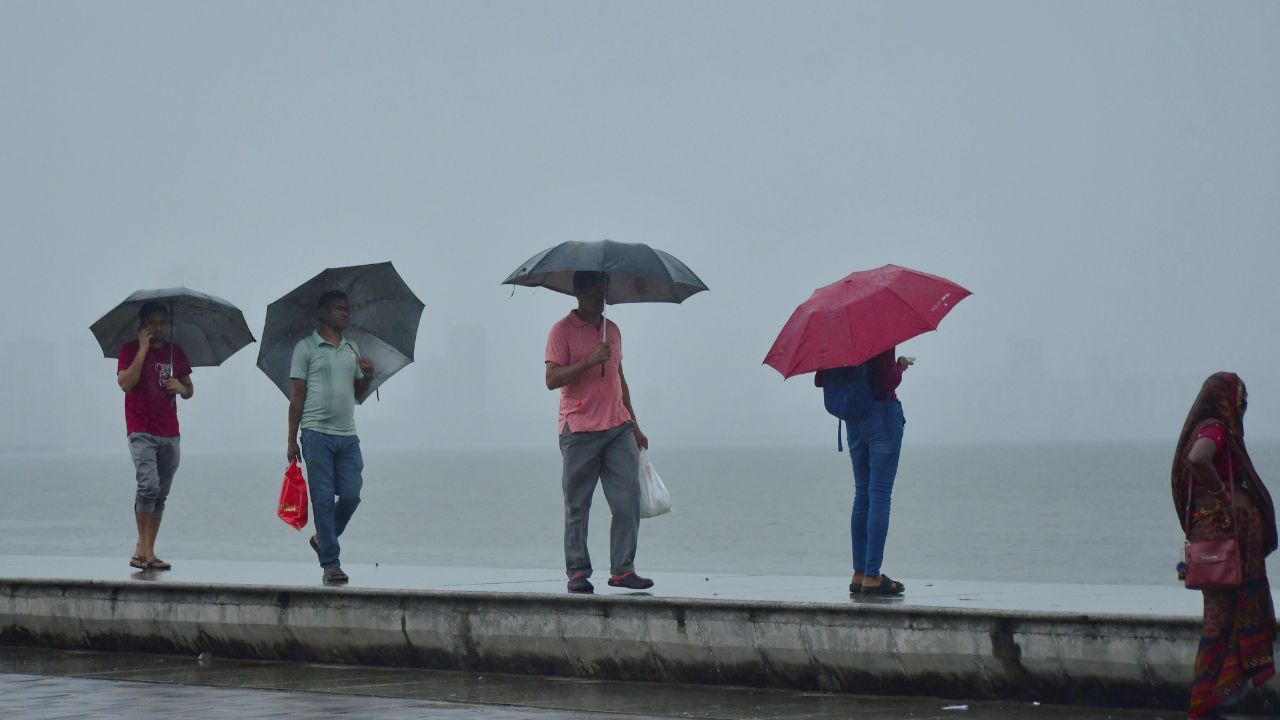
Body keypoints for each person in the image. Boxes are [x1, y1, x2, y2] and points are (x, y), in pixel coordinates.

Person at [1172, 372, 1276, 719]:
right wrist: (1223, 497)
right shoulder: (1214, 429)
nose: (1242, 406)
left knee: (1227, 620)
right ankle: (1205, 704)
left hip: (1228, 539)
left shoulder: (1209, 428)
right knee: (1219, 622)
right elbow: (1199, 459)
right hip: (1225, 538)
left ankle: (1220, 699)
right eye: (1239, 398)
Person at [545, 270, 653, 594]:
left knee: (628, 499)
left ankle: (623, 568)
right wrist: (589, 361)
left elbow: (620, 377)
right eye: (595, 288)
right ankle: (577, 571)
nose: (601, 295)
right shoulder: (561, 332)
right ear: (579, 290)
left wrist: (634, 423)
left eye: (604, 287)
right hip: (578, 429)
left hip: (617, 426)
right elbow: (551, 379)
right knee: (578, 504)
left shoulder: (613, 331)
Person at [287, 290, 374, 585]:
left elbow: (359, 394)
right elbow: (296, 395)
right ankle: (331, 563)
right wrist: (291, 440)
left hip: (347, 434)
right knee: (323, 499)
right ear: (322, 313)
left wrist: (368, 376)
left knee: (351, 494)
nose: (345, 313)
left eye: (347, 309)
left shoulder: (352, 348)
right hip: (315, 433)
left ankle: (322, 538)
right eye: (339, 308)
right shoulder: (305, 348)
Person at [817, 347, 912, 596]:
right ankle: (872, 575)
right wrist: (899, 366)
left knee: (862, 495)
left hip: (853, 420)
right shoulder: (878, 334)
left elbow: (819, 379)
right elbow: (886, 380)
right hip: (881, 416)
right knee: (879, 494)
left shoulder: (834, 335)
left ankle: (859, 572)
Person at [116, 301, 193, 571]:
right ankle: (145, 550)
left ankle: (145, 551)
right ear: (143, 325)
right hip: (141, 430)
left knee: (160, 493)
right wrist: (143, 350)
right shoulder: (129, 350)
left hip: (170, 432)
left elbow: (190, 389)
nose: (158, 327)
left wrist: (180, 387)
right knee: (147, 485)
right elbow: (126, 383)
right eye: (152, 322)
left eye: (162, 322)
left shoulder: (176, 353)